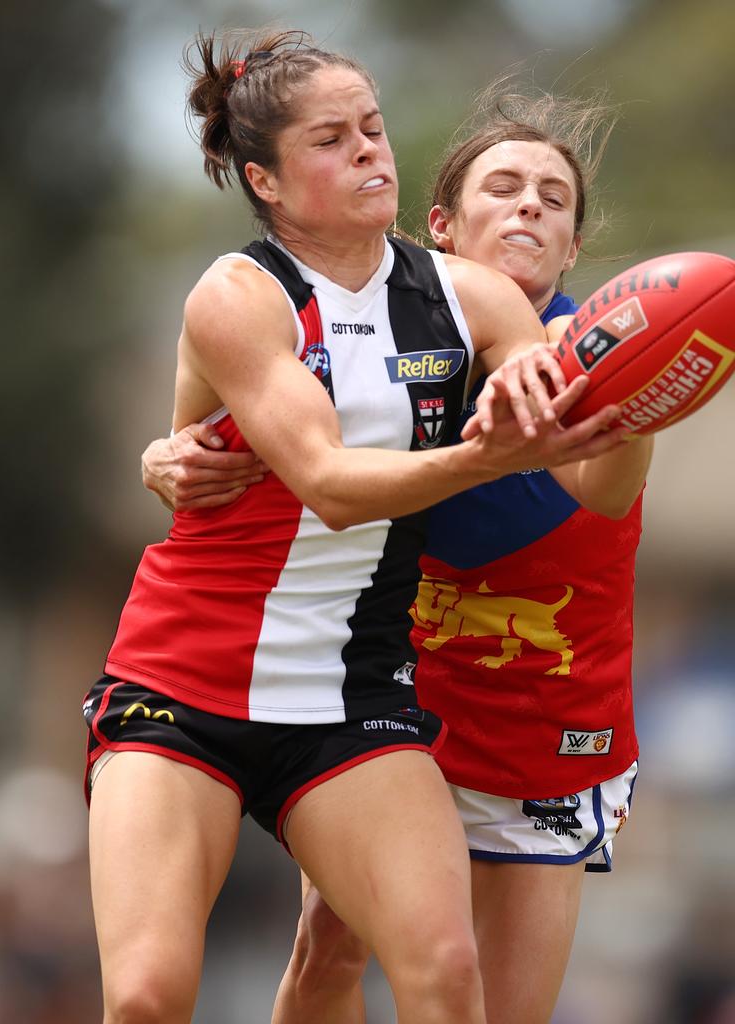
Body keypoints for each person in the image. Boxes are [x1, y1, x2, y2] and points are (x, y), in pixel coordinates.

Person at [84, 34, 626, 1024]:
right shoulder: (236, 295)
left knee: (444, 973)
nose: (372, 150)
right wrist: (485, 456)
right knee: (149, 994)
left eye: (373, 128)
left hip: (350, 696)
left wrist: (630, 390)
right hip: (185, 679)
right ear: (268, 180)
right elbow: (330, 484)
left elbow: (572, 437)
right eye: (332, 139)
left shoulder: (468, 297)